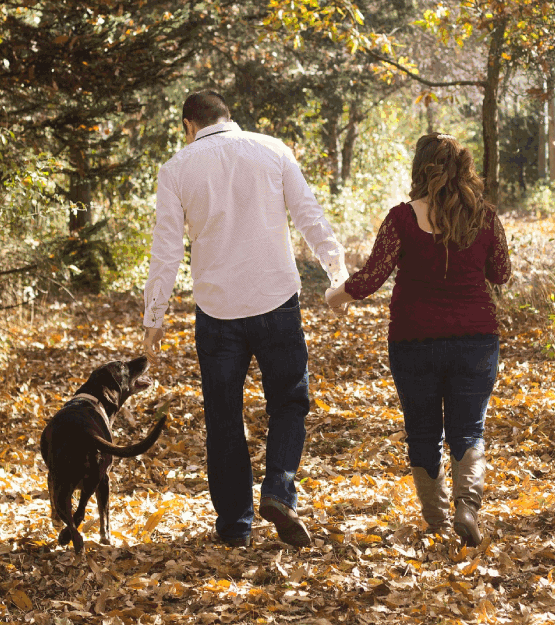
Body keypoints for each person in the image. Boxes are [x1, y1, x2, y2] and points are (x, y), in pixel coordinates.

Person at [142, 91, 348, 548]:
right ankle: (278, 489)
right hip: (276, 300)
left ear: (187, 125)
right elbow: (309, 216)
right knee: (290, 402)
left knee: (223, 416)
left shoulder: (176, 169)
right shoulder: (273, 150)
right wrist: (339, 273)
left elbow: (166, 249)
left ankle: (235, 527)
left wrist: (154, 314)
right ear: (227, 116)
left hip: (217, 312)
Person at [325, 133, 510, 546]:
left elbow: (372, 277)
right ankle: (467, 506)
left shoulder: (403, 218)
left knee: (423, 431)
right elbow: (501, 273)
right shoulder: (484, 216)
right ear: (463, 168)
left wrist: (335, 295)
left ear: (420, 169)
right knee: (469, 430)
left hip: (414, 341)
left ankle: (438, 521)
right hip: (476, 339)